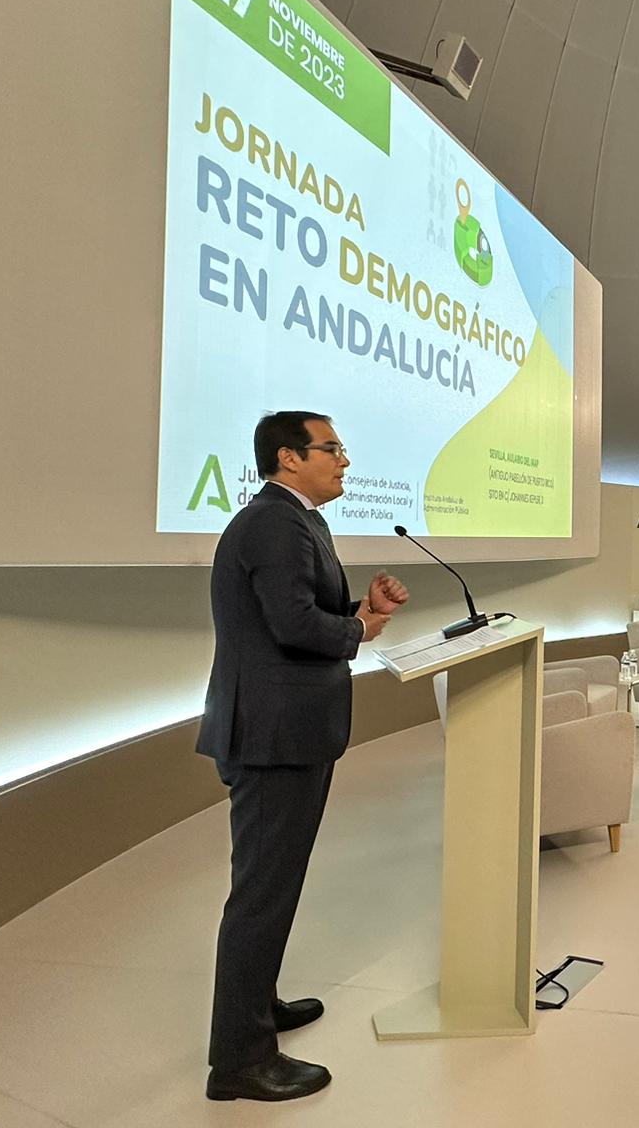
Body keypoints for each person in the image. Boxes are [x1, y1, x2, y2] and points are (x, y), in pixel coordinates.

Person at [199, 412, 409, 1102]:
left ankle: (258, 1006)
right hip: (273, 735)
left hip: (290, 729)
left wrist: (359, 609)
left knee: (274, 885)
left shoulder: (299, 520)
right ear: (289, 458)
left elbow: (296, 610)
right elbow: (291, 625)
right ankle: (239, 1061)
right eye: (333, 449)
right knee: (261, 893)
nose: (345, 461)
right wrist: (357, 627)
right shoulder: (273, 522)